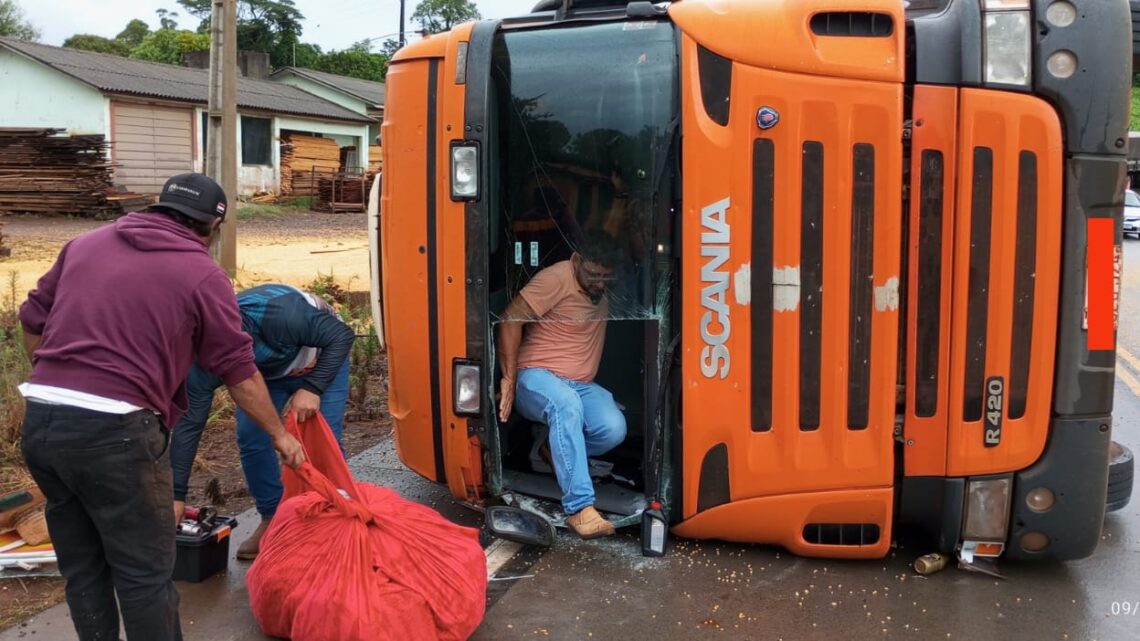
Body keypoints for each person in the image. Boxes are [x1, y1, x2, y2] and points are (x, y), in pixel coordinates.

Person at [17, 173, 305, 641]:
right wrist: (279, 434)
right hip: (117, 432)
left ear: (156, 209)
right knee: (144, 575)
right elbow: (238, 370)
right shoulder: (201, 273)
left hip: (45, 421)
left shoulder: (84, 245)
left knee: (85, 569)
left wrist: (61, 379)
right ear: (212, 228)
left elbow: (31, 318)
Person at [170, 283, 356, 560]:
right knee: (251, 438)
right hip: (266, 374)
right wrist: (175, 496)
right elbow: (189, 427)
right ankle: (273, 517)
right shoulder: (202, 363)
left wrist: (314, 388)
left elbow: (341, 336)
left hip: (321, 359)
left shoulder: (280, 315)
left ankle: (337, 523)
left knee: (322, 440)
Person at [496, 230, 627, 539]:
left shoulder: (600, 286)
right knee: (566, 404)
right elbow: (510, 319)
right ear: (577, 260)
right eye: (593, 274)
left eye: (605, 278)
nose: (598, 283)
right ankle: (580, 508)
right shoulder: (556, 278)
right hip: (536, 376)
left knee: (613, 428)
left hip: (577, 384)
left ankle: (550, 450)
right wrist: (509, 379)